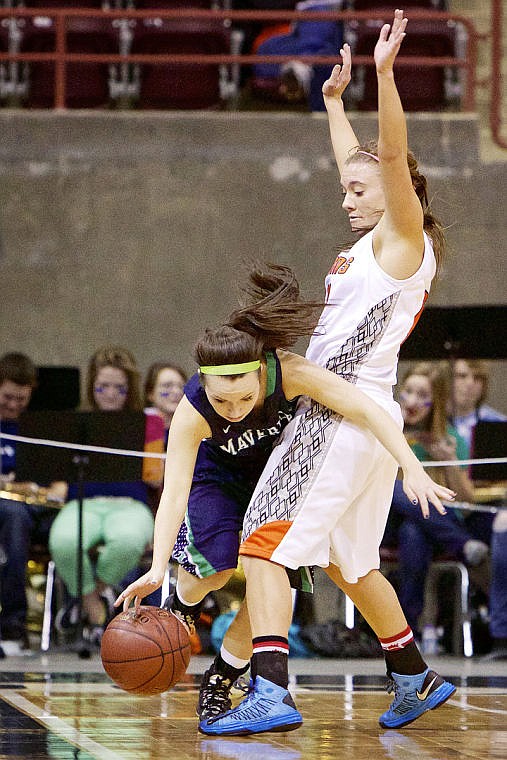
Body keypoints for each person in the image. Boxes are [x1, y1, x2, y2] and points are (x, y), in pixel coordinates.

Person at [198, 11, 457, 736]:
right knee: (349, 563)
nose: (345, 199)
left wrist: (383, 79)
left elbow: (390, 157)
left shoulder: (404, 237)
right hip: (362, 417)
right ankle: (413, 676)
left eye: (357, 192)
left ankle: (271, 689)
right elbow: (364, 163)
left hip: (338, 416)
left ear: (396, 189)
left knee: (263, 543)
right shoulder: (378, 238)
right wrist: (335, 106)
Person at [115, 262, 455, 723]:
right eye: (222, 401)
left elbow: (366, 408)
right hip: (218, 481)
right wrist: (158, 569)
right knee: (209, 577)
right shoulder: (193, 409)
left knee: (272, 578)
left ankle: (223, 676)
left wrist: (412, 467)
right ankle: (183, 606)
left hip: (278, 477)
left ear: (261, 372)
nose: (233, 410)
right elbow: (173, 492)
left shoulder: (290, 372)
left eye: (244, 398)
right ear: (205, 386)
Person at [49, 346, 155, 643]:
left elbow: (157, 479)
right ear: (91, 388)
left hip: (130, 506)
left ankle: (83, 600)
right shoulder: (75, 423)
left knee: (129, 541)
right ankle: (96, 604)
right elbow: (57, 473)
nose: (110, 394)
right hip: (83, 503)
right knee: (64, 541)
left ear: (130, 390)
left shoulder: (149, 423)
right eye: (102, 387)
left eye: (119, 388)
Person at [382, 362, 490, 643]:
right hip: (383, 523)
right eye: (409, 392)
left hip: (428, 530)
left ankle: (408, 633)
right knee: (394, 488)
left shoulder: (449, 438)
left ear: (435, 403)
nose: (414, 402)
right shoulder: (384, 430)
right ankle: (461, 543)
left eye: (423, 395)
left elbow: (466, 499)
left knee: (413, 532)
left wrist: (450, 461)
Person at [0, 352, 66, 655]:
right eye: (8, 397)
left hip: (40, 507)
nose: (14, 405)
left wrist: (54, 488)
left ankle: (76, 620)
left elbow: (59, 476)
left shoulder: (40, 427)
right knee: (14, 520)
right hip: (9, 510)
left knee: (74, 526)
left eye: (21, 399)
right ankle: (14, 624)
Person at [450, 359, 506, 450]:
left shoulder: (499, 424)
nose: (470, 383)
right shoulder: (430, 419)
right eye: (462, 376)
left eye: (477, 378)